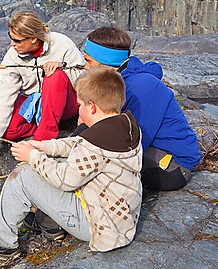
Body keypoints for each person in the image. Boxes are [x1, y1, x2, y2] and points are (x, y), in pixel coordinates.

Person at [0, 66, 142, 257]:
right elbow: (77, 144)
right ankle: (51, 226)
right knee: (53, 162)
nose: (78, 109)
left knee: (23, 176)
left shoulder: (93, 145)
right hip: (121, 217)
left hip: (100, 226)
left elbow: (65, 180)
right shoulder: (124, 127)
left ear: (91, 107)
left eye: (79, 105)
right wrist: (43, 147)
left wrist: (32, 157)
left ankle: (0, 243)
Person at [82, 26, 201, 190]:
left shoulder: (141, 89)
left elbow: (134, 141)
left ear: (106, 61)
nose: (85, 67)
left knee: (97, 168)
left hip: (172, 167)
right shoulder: (118, 81)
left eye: (89, 61)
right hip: (153, 151)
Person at [0, 11, 85, 148]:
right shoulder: (12, 57)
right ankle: (45, 125)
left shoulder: (61, 43)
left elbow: (82, 80)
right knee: (7, 132)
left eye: (17, 40)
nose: (12, 44)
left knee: (54, 76)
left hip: (65, 104)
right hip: (35, 105)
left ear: (33, 38)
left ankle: (43, 139)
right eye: (10, 37)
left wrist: (62, 67)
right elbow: (5, 96)